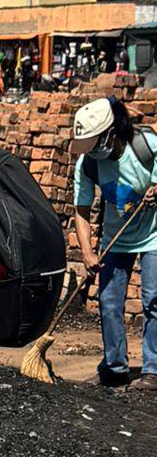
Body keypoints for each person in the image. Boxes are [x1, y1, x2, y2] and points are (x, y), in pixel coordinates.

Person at [71, 96, 157, 392]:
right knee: (108, 303)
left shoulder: (145, 147)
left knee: (154, 300)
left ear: (111, 133)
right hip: (115, 240)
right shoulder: (87, 164)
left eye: (95, 143)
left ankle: (152, 371)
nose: (91, 151)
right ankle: (114, 368)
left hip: (153, 235)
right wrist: (87, 252)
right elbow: (81, 211)